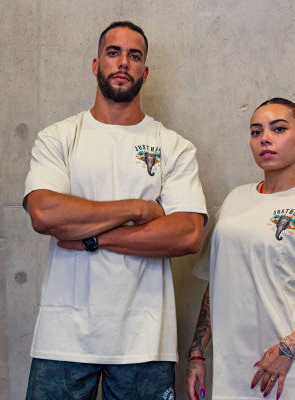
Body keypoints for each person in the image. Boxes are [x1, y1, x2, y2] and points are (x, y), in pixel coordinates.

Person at [23, 21, 207, 400]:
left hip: (145, 341)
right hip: (63, 338)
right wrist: (138, 207)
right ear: (96, 64)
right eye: (113, 52)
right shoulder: (59, 137)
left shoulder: (173, 146)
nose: (123, 62)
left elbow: (187, 234)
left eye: (134, 56)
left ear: (144, 72)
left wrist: (92, 238)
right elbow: (44, 213)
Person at [186, 98, 295, 400]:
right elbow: (218, 282)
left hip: (290, 373)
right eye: (256, 131)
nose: (265, 138)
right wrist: (197, 353)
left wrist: (286, 349)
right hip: (232, 370)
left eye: (278, 129)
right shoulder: (235, 200)